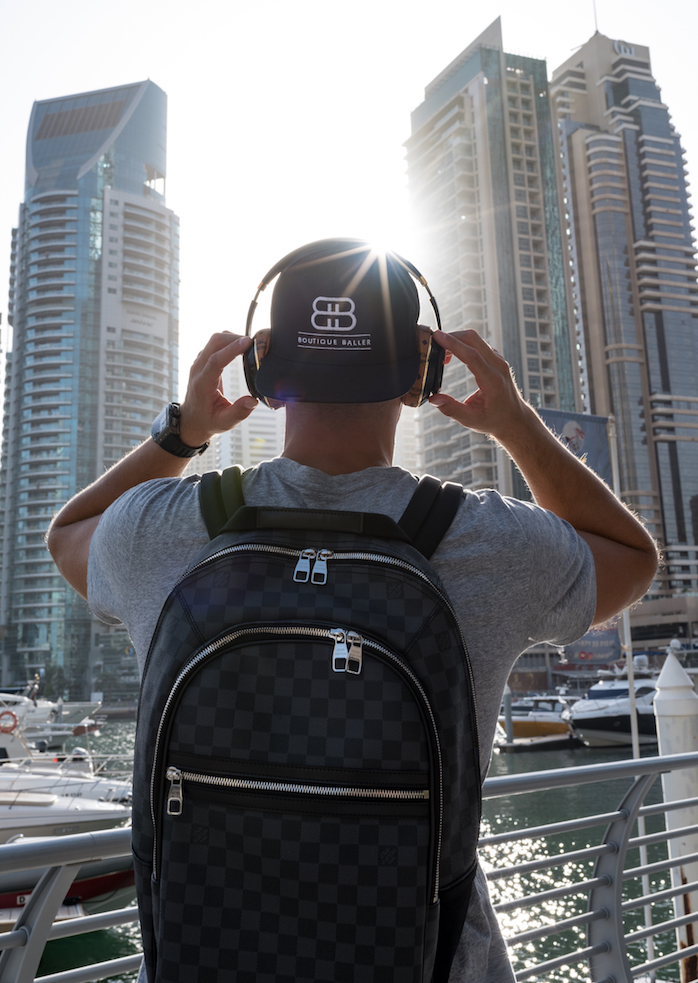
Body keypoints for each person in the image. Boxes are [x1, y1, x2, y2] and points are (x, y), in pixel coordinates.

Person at [47, 238, 659, 982]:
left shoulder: (161, 528)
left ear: (262, 371)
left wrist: (183, 432)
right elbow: (631, 557)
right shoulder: (490, 541)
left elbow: (67, 535)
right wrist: (516, 424)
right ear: (422, 373)